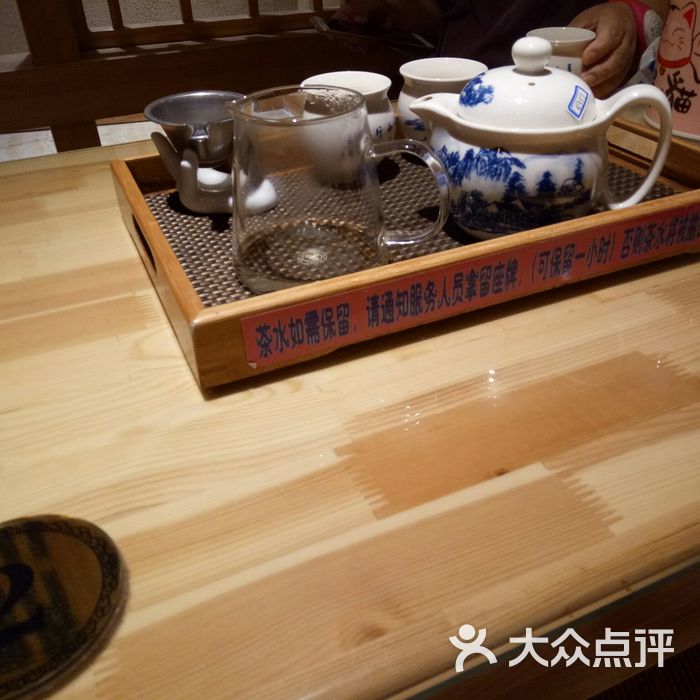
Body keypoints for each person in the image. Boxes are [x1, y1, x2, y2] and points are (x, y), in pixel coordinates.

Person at [332, 0, 670, 96]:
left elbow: (666, 9)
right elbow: (442, 14)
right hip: (456, 88)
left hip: (579, 90)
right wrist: (387, 13)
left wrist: (630, 12)